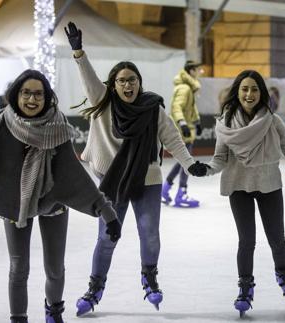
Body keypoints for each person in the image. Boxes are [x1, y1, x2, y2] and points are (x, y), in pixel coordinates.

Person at [64, 22, 207, 315]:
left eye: (132, 80)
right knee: (107, 237)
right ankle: (95, 288)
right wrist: (78, 52)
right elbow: (89, 79)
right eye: (121, 81)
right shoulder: (103, 104)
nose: (127, 85)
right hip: (111, 181)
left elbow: (173, 139)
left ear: (139, 82)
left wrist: (190, 165)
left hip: (147, 179)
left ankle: (150, 278)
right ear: (112, 85)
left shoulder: (152, 108)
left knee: (149, 233)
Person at [0, 69, 122, 323]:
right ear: (16, 94)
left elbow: (73, 173)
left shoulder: (57, 126)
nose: (32, 100)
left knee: (55, 269)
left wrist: (106, 212)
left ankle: (54, 312)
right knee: (18, 268)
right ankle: (18, 318)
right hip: (14, 203)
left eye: (38, 94)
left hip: (53, 202)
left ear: (47, 97)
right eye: (26, 93)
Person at [205, 70, 285, 317]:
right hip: (238, 186)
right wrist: (203, 169)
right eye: (245, 89)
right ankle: (245, 288)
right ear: (237, 92)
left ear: (262, 93)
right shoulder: (225, 124)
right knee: (246, 241)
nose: (249, 94)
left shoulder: (272, 121)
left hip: (269, 185)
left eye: (254, 89)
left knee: (277, 239)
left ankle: (284, 276)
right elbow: (219, 160)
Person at [161, 60, 203, 207]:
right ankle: (181, 193)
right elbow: (176, 107)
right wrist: (182, 123)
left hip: (187, 130)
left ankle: (166, 189)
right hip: (183, 131)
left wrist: (197, 122)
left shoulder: (188, 88)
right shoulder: (185, 88)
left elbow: (191, 108)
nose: (200, 72)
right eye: (198, 69)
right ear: (191, 71)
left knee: (182, 162)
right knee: (187, 163)